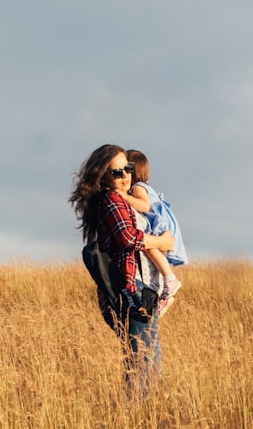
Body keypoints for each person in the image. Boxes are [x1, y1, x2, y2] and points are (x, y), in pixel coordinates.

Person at [69, 144, 175, 397]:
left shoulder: (124, 201)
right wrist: (162, 242)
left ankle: (137, 420)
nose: (125, 175)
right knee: (143, 364)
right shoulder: (112, 199)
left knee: (143, 361)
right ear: (103, 177)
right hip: (131, 290)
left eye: (127, 168)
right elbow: (128, 237)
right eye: (117, 172)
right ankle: (135, 419)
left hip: (139, 290)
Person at [123, 149, 188, 310]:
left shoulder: (138, 188)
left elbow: (144, 205)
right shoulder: (145, 185)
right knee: (154, 259)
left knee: (150, 249)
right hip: (161, 223)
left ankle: (170, 280)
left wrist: (125, 197)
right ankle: (162, 298)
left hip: (158, 225)